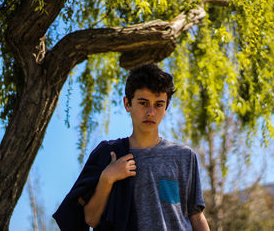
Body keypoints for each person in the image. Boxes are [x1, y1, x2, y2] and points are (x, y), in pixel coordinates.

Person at [53, 63, 210, 231]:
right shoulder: (108, 154)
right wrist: (107, 179)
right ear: (127, 104)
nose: (151, 112)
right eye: (143, 103)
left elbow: (197, 216)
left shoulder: (184, 157)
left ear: (166, 107)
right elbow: (90, 219)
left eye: (158, 104)